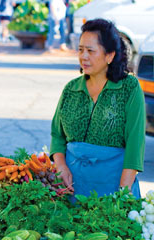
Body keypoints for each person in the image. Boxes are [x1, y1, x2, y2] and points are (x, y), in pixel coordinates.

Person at [50, 19, 145, 200]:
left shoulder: (129, 88)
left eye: (90, 51)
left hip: (113, 187)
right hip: (71, 188)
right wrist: (61, 167)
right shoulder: (71, 89)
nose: (83, 56)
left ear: (109, 55)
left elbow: (135, 143)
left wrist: (123, 194)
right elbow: (57, 135)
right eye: (80, 50)